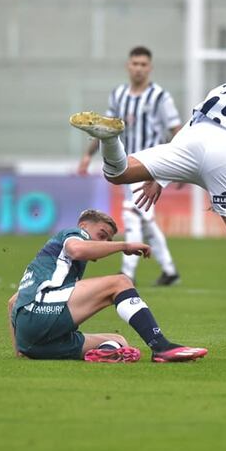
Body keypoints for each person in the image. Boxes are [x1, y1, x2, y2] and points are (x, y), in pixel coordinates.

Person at [69, 56, 226, 363]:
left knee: (119, 172)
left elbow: (188, 130)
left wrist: (159, 177)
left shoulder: (225, 87)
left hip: (190, 144)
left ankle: (111, 138)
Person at [6, 208, 208, 363]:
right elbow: (76, 249)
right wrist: (124, 245)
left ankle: (105, 354)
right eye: (102, 235)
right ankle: (161, 346)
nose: (104, 242)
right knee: (119, 282)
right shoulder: (75, 233)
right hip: (42, 313)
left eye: (109, 240)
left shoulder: (51, 269)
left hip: (36, 342)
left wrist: (21, 349)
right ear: (84, 226)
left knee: (119, 341)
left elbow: (13, 302)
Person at [78, 46, 182, 287]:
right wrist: (87, 155)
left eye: (143, 64)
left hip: (151, 165)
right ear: (128, 66)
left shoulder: (160, 97)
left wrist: (178, 164)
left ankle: (128, 272)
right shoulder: (118, 95)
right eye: (135, 63)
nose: (138, 68)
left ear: (150, 68)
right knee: (144, 217)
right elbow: (104, 129)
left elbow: (176, 130)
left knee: (133, 213)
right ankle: (169, 270)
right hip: (126, 166)